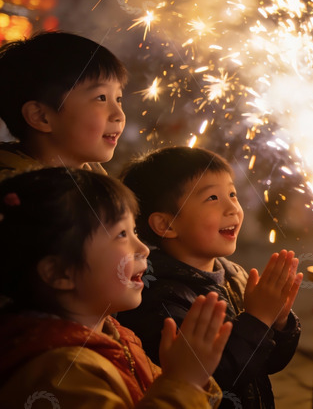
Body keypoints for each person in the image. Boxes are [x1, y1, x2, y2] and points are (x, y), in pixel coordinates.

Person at [0, 167, 231, 407]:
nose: (143, 249)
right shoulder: (58, 372)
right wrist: (185, 382)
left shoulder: (117, 336)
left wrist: (192, 378)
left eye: (134, 231)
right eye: (121, 234)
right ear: (59, 272)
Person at [116, 146, 302, 409]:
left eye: (232, 194)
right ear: (167, 225)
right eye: (213, 198)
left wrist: (279, 321)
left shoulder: (234, 274)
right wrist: (258, 320)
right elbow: (216, 381)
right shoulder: (158, 296)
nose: (233, 208)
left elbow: (268, 363)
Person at [0, 32, 126, 180]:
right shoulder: (22, 195)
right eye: (101, 98)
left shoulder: (94, 182)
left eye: (118, 98)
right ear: (41, 117)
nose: (119, 115)